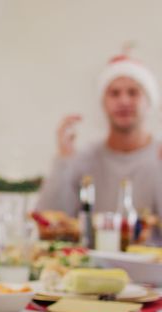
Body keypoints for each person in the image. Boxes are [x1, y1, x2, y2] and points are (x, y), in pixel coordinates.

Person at [36, 53, 162, 245]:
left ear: (149, 101)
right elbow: (49, 222)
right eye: (114, 93)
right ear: (103, 103)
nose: (124, 101)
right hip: (92, 268)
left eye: (133, 92)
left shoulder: (158, 156)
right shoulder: (85, 158)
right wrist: (64, 159)